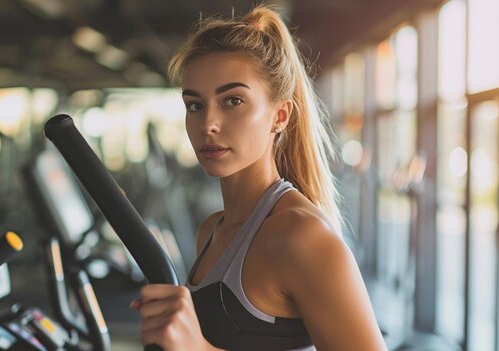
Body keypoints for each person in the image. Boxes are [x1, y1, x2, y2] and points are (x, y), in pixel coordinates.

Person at [130, 5, 387, 351]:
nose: (208, 124)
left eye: (233, 100)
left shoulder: (301, 236)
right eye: (195, 105)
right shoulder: (211, 230)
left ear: (279, 115)